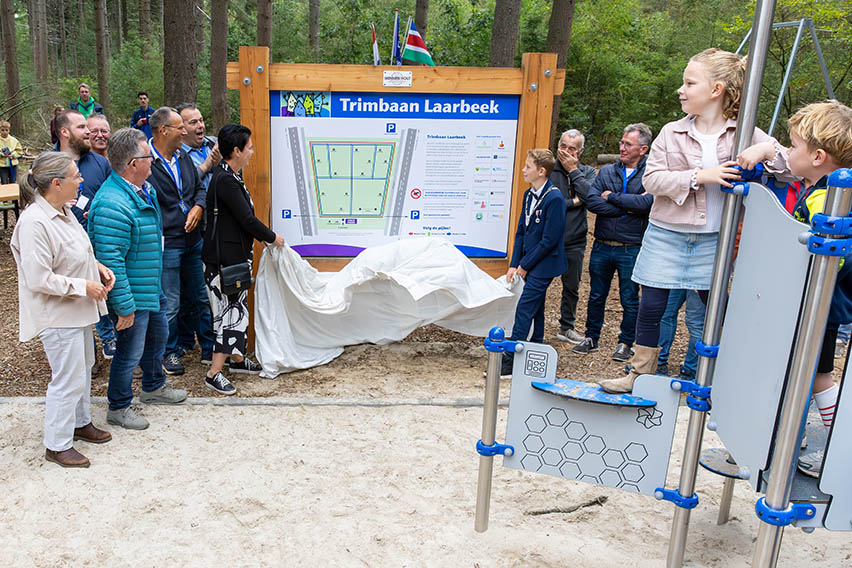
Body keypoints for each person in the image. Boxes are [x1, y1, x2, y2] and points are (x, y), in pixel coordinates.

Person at [599, 48, 793, 394]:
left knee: (718, 307)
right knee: (651, 306)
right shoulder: (671, 132)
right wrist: (699, 176)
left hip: (714, 238)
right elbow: (652, 180)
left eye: (690, 83)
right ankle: (639, 374)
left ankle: (731, 373)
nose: (681, 89)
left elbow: (792, 167)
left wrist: (766, 151)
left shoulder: (744, 132)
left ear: (716, 90)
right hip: (666, 234)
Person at [740, 99, 852, 477]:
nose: (788, 151)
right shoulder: (821, 188)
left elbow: (830, 257)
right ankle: (796, 433)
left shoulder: (828, 199)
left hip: (819, 303)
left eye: (794, 146)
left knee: (816, 376)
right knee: (801, 372)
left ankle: (838, 448)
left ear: (818, 157)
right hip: (815, 301)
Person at [11, 152, 115, 467]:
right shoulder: (34, 222)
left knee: (83, 367)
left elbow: (75, 251)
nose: (81, 180)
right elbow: (38, 278)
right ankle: (57, 444)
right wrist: (84, 286)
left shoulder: (64, 211)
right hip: (56, 314)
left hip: (77, 310)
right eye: (75, 176)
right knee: (67, 377)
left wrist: (96, 267)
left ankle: (80, 422)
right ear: (57, 183)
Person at [88, 128, 188, 430]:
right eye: (149, 157)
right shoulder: (112, 203)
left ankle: (153, 387)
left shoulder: (143, 190)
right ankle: (118, 406)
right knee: (129, 352)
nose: (153, 161)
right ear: (133, 163)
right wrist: (125, 306)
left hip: (150, 285)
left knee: (157, 339)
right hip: (132, 293)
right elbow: (111, 262)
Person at [201, 124, 285, 394]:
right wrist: (271, 237)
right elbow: (247, 219)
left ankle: (236, 359)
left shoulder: (229, 175)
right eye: (249, 147)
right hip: (223, 263)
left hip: (232, 259)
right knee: (228, 315)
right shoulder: (225, 180)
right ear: (236, 150)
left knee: (237, 310)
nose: (252, 151)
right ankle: (214, 373)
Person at [573, 124, 653, 363]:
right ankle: (591, 337)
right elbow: (592, 202)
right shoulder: (607, 171)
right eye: (621, 142)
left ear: (643, 149)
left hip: (631, 247)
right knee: (596, 295)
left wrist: (612, 197)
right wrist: (628, 208)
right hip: (602, 245)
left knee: (629, 298)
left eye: (628, 144)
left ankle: (625, 343)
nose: (622, 147)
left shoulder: (651, 173)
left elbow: (647, 204)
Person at [146, 107, 214, 376]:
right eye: (180, 127)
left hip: (193, 240)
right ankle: (169, 351)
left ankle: (209, 347)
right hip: (168, 243)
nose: (185, 132)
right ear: (163, 131)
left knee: (200, 295)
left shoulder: (183, 156)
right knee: (171, 301)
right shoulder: (146, 161)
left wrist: (198, 206)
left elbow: (199, 188)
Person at [499, 149, 567, 377]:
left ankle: (512, 358)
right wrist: (514, 263)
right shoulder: (529, 195)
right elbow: (521, 231)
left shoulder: (555, 198)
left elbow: (549, 240)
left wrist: (525, 265)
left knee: (525, 307)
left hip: (545, 264)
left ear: (541, 171)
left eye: (528, 167)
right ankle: (535, 348)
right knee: (536, 307)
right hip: (530, 260)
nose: (523, 170)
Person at [55, 110, 117, 359]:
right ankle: (83, 352)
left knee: (101, 288)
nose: (88, 132)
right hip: (62, 245)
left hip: (96, 239)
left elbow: (113, 192)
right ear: (64, 132)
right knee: (72, 296)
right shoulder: (48, 165)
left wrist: (101, 210)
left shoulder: (100, 163)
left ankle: (108, 337)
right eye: (82, 127)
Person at [551, 129, 596, 345]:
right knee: (537, 285)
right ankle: (530, 326)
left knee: (571, 287)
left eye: (572, 148)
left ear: (580, 151)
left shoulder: (587, 172)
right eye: (563, 146)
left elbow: (590, 197)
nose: (566, 152)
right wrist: (574, 202)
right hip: (549, 240)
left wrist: (573, 171)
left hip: (575, 240)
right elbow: (549, 202)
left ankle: (566, 327)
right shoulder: (548, 168)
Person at [656, 289, 705, 379]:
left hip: (701, 282)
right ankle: (658, 363)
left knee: (696, 323)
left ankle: (690, 372)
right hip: (679, 279)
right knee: (665, 314)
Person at [176, 102, 221, 189]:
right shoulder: (176, 154)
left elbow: (239, 172)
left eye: (201, 120)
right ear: (182, 128)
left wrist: (221, 163)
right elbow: (184, 183)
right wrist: (206, 165)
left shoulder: (214, 142)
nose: (200, 126)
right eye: (193, 122)